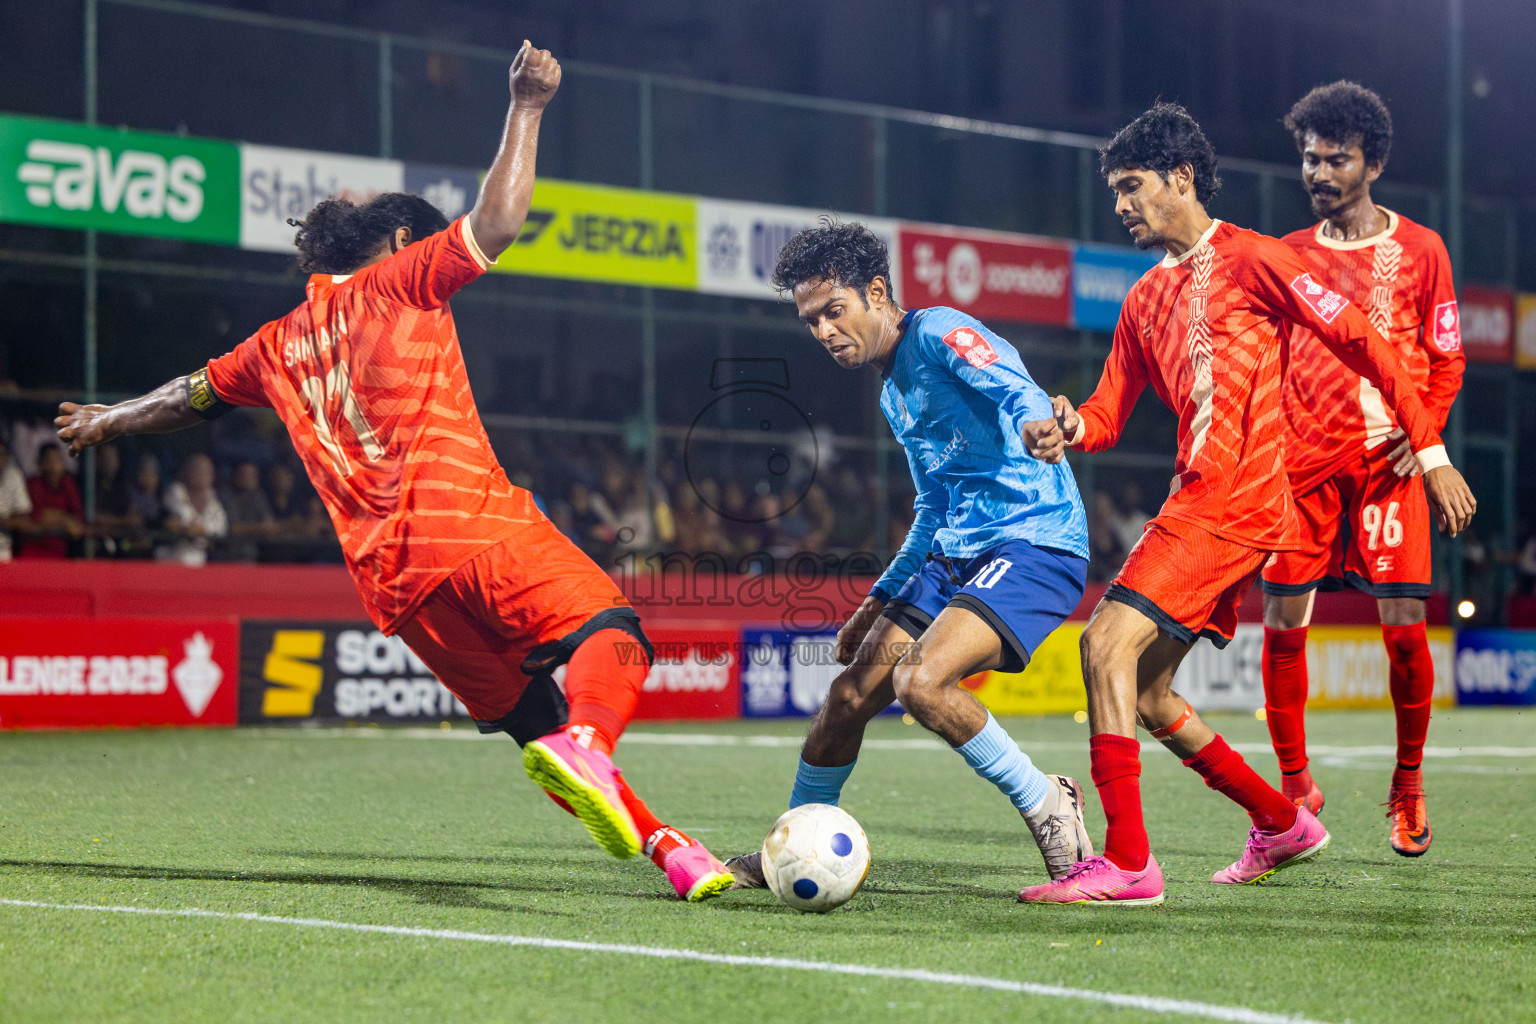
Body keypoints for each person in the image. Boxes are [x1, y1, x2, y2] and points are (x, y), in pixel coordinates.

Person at [54, 41, 732, 903]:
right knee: (613, 632)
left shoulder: (273, 346)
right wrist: (526, 106)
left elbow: (186, 397)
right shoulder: (401, 283)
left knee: (535, 726)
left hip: (396, 590)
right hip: (475, 529)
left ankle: (670, 850)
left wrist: (104, 421)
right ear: (403, 239)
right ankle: (593, 744)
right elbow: (499, 223)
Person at [1019, 103, 1476, 906]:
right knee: (1151, 690)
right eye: (1116, 192)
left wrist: (1429, 451)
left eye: (1132, 188)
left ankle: (1128, 863)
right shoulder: (1140, 302)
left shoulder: (1257, 259)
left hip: (1235, 498)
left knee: (1102, 647)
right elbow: (1105, 413)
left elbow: (1369, 345)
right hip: (1205, 498)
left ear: (1182, 178)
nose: (1121, 206)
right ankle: (1281, 820)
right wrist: (1067, 426)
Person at [727, 221, 1094, 890]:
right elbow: (932, 510)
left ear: (876, 291)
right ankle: (791, 845)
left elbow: (1012, 383)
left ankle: (1049, 803)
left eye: (834, 312)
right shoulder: (893, 392)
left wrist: (1037, 420)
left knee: (919, 682)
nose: (825, 332)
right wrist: (875, 603)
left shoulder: (937, 332)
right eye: (811, 322)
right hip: (957, 552)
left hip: (1035, 540)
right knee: (847, 698)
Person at [1259, 82, 1464, 857]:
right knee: (1282, 623)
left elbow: (1445, 359)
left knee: (1405, 628)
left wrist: (1427, 434)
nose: (1318, 172)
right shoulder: (1287, 256)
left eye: (1335, 159)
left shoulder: (1423, 250)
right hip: (1304, 469)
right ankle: (1294, 784)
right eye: (1310, 158)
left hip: (1388, 468)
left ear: (1372, 163)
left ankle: (1408, 788)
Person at [23, 444, 84, 558]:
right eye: (49, 460)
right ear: (40, 464)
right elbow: (36, 516)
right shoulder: (33, 484)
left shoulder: (68, 483)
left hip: (59, 552)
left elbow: (77, 519)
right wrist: (64, 520)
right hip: (32, 551)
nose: (54, 464)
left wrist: (59, 519)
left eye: (57, 459)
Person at [0, 434, 32, 562]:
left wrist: (3, 522)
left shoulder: (13, 476)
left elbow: (24, 522)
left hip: (4, 552)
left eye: (1, 455)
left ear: (7, 457)